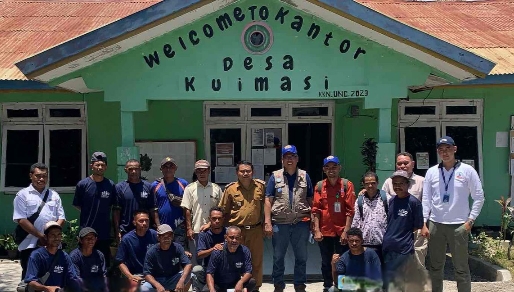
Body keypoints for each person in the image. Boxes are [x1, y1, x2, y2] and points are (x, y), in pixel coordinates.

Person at [421, 136, 485, 292]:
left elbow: (479, 196)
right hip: (436, 224)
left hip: (459, 226)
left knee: (461, 268)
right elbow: (426, 198)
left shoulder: (467, 170)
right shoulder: (431, 172)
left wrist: (470, 221)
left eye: (448, 148)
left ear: (454, 149)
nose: (445, 152)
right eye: (441, 150)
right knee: (435, 266)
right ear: (438, 152)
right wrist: (424, 222)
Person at [264, 145, 314, 292]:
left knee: (301, 257)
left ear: (297, 159)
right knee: (278, 256)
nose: (290, 159)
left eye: (292, 156)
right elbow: (268, 200)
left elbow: (311, 200)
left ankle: (299, 284)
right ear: (282, 160)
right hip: (280, 223)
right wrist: (267, 222)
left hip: (301, 223)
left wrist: (314, 222)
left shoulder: (305, 176)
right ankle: (278, 284)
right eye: (286, 156)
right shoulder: (275, 176)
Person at [13, 163, 66, 279]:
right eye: (38, 176)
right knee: (31, 280)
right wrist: (41, 236)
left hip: (51, 246)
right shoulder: (22, 195)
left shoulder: (54, 195)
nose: (41, 179)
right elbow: (21, 220)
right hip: (30, 246)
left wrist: (51, 237)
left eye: (44, 176)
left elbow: (61, 218)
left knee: (52, 278)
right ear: (31, 176)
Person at [219, 160, 265, 291]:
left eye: (248, 171)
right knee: (236, 260)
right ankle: (237, 287)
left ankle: (255, 287)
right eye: (242, 171)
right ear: (237, 173)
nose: (245, 173)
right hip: (236, 233)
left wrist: (267, 223)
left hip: (255, 230)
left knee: (256, 261)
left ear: (253, 172)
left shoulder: (260, 187)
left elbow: (265, 207)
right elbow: (224, 211)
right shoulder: (230, 189)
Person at [312, 156, 356, 291]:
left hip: (342, 230)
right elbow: (316, 210)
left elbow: (350, 210)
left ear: (339, 168)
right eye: (328, 168)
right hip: (325, 231)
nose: (331, 170)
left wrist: (346, 231)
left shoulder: (346, 185)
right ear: (324, 169)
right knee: (326, 261)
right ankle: (327, 286)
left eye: (334, 167)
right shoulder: (320, 186)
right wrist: (317, 230)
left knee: (343, 260)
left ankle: (343, 287)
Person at [73, 151, 119, 268]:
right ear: (91, 166)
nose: (100, 167)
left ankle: (103, 285)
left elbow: (113, 206)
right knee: (85, 261)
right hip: (86, 230)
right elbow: (78, 205)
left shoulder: (110, 185)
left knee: (103, 262)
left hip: (103, 232)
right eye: (97, 164)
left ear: (106, 167)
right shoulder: (82, 184)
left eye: (102, 165)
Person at [381, 152, 427, 269]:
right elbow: (382, 201)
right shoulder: (388, 182)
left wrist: (424, 224)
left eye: (405, 163)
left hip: (415, 231)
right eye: (399, 163)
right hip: (394, 235)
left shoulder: (422, 181)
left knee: (416, 266)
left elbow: (428, 203)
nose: (402, 166)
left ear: (413, 164)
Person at [382, 171, 424, 291]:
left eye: (401, 183)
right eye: (395, 183)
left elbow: (417, 226)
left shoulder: (414, 203)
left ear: (408, 184)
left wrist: (402, 235)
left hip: (403, 249)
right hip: (387, 247)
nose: (397, 186)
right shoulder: (391, 201)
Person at [182, 159, 222, 266]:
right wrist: (189, 228)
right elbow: (187, 210)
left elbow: (220, 210)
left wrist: (209, 224)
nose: (201, 173)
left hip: (213, 230)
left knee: (214, 257)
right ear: (195, 172)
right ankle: (198, 282)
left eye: (204, 170)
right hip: (196, 231)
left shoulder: (216, 189)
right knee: (197, 261)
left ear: (209, 171)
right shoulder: (190, 189)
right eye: (199, 171)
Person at [24, 221, 81, 292]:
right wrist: (46, 288)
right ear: (45, 237)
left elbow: (73, 277)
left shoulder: (64, 256)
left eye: (59, 235)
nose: (56, 238)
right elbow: (31, 282)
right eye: (52, 235)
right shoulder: (37, 255)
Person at [115, 210, 158, 292]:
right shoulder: (127, 239)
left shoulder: (155, 235)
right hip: (136, 275)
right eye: (141, 221)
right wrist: (130, 276)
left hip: (153, 275)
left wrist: (183, 252)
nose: (144, 223)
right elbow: (120, 261)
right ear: (134, 223)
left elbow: (168, 246)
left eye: (147, 220)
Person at [142, 224, 193, 292]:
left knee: (191, 275)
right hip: (157, 279)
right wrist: (157, 285)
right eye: (164, 236)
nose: (167, 239)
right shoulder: (151, 252)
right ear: (158, 237)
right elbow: (147, 274)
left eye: (169, 236)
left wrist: (181, 280)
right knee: (143, 289)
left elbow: (188, 264)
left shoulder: (178, 247)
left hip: (173, 278)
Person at [204, 226, 256, 292]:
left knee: (252, 282)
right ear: (226, 237)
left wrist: (241, 282)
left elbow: (248, 272)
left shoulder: (245, 251)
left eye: (237, 238)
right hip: (218, 284)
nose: (234, 240)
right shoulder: (218, 251)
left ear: (240, 239)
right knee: (206, 290)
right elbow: (209, 273)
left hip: (235, 284)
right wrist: (212, 289)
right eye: (231, 237)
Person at [351, 172, 388, 264]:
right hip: (364, 244)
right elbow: (356, 221)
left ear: (377, 183)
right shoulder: (360, 200)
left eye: (373, 183)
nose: (370, 186)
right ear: (363, 184)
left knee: (382, 272)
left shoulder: (386, 199)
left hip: (382, 244)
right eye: (367, 183)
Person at [151, 156, 188, 247]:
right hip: (162, 228)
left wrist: (187, 226)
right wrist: (158, 225)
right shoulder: (155, 185)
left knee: (179, 254)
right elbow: (153, 208)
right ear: (161, 169)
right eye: (165, 167)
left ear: (175, 168)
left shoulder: (183, 184)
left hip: (179, 227)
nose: (168, 169)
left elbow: (187, 206)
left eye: (171, 167)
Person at [116, 159, 159, 237]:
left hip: (145, 230)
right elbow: (116, 211)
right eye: (130, 169)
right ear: (126, 170)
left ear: (140, 169)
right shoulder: (120, 187)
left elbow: (153, 209)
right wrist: (117, 231)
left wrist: (159, 227)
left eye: (136, 169)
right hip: (126, 231)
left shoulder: (148, 187)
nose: (133, 172)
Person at [192, 207, 227, 292]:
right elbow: (199, 254)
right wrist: (213, 249)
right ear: (209, 219)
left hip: (226, 269)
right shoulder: (203, 234)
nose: (217, 221)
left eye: (219, 218)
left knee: (250, 282)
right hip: (209, 269)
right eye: (214, 218)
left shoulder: (229, 233)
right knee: (196, 269)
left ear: (223, 219)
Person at [69, 227, 108, 292]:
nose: (90, 240)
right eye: (87, 238)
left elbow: (103, 275)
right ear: (81, 240)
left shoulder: (99, 255)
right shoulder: (74, 256)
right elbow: (76, 279)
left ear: (96, 239)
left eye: (92, 238)